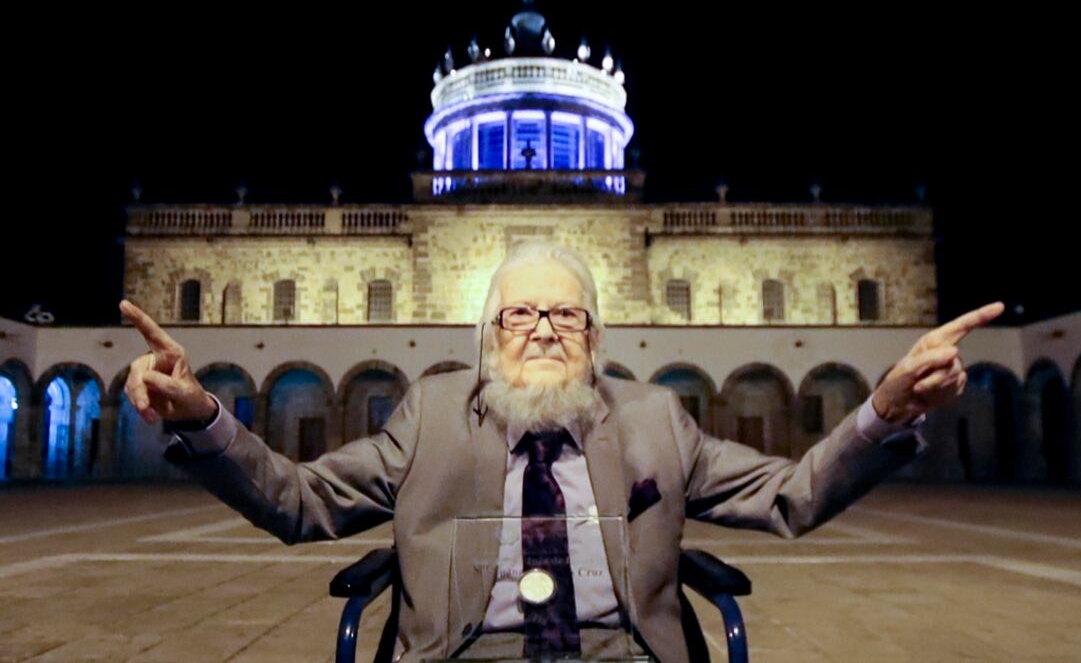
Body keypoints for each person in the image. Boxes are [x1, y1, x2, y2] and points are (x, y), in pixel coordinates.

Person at [120, 241, 1003, 662]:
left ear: (595, 336)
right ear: (486, 338)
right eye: (518, 313)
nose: (542, 330)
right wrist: (202, 417)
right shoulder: (430, 416)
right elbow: (298, 501)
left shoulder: (654, 419)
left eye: (566, 314)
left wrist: (885, 409)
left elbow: (790, 494)